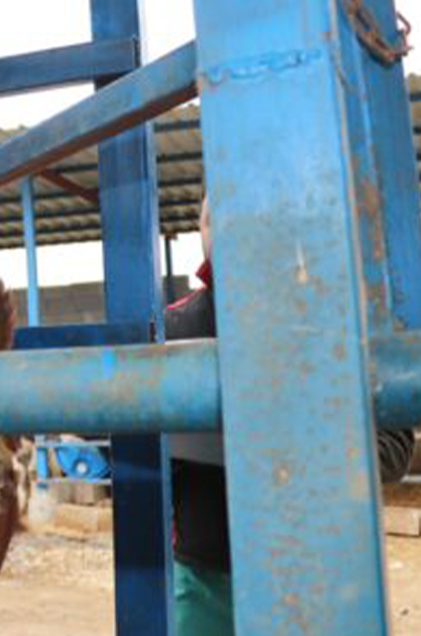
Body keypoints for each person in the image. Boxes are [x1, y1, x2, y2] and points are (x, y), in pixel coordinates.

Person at [166, 198, 415, 635]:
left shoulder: (337, 324)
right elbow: (134, 454)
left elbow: (393, 448)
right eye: (210, 220)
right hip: (205, 582)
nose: (222, 232)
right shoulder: (171, 329)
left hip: (316, 576)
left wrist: (301, 455)